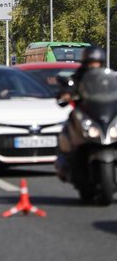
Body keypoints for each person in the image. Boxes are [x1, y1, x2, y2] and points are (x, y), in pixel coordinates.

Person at [56, 46, 106, 181]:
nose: (94, 66)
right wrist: (66, 93)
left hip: (103, 113)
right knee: (68, 127)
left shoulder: (107, 76)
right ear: (86, 63)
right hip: (84, 112)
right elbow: (69, 86)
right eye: (91, 63)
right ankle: (64, 160)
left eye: (97, 63)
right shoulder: (78, 76)